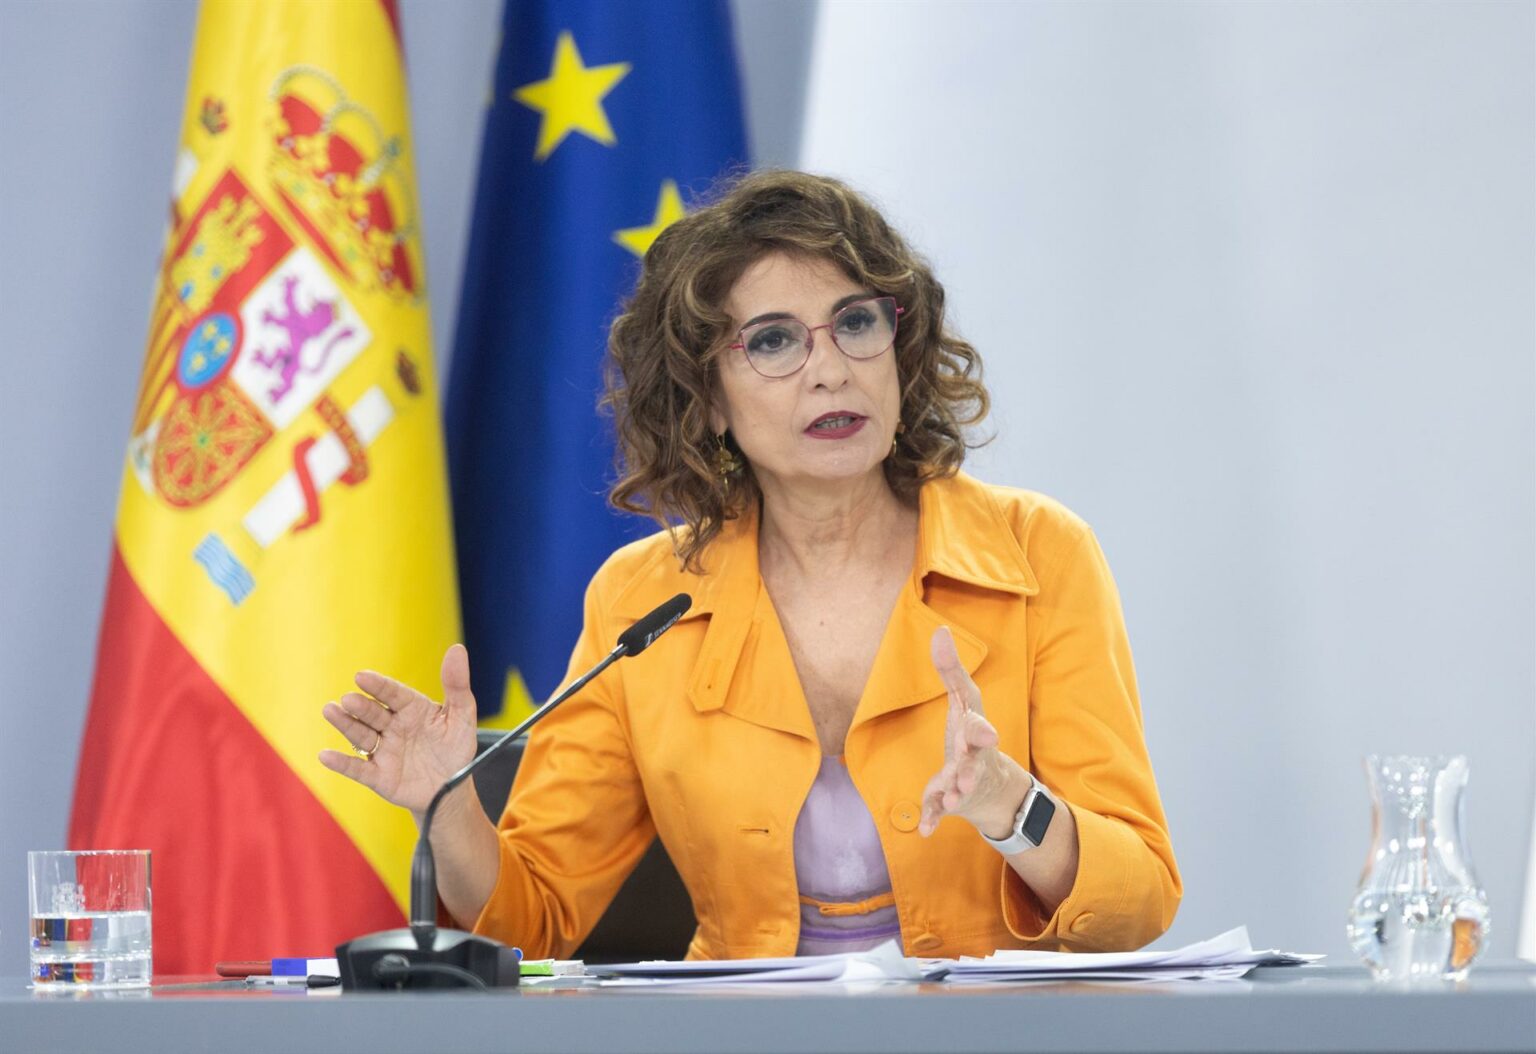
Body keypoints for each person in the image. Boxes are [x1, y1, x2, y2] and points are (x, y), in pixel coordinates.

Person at [320, 170, 1180, 960]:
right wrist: (447, 807)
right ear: (708, 400)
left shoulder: (1038, 552)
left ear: (901, 347)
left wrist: (1010, 806)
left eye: (856, 323)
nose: (831, 371)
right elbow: (530, 925)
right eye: (773, 342)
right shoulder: (641, 599)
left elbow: (1138, 902)